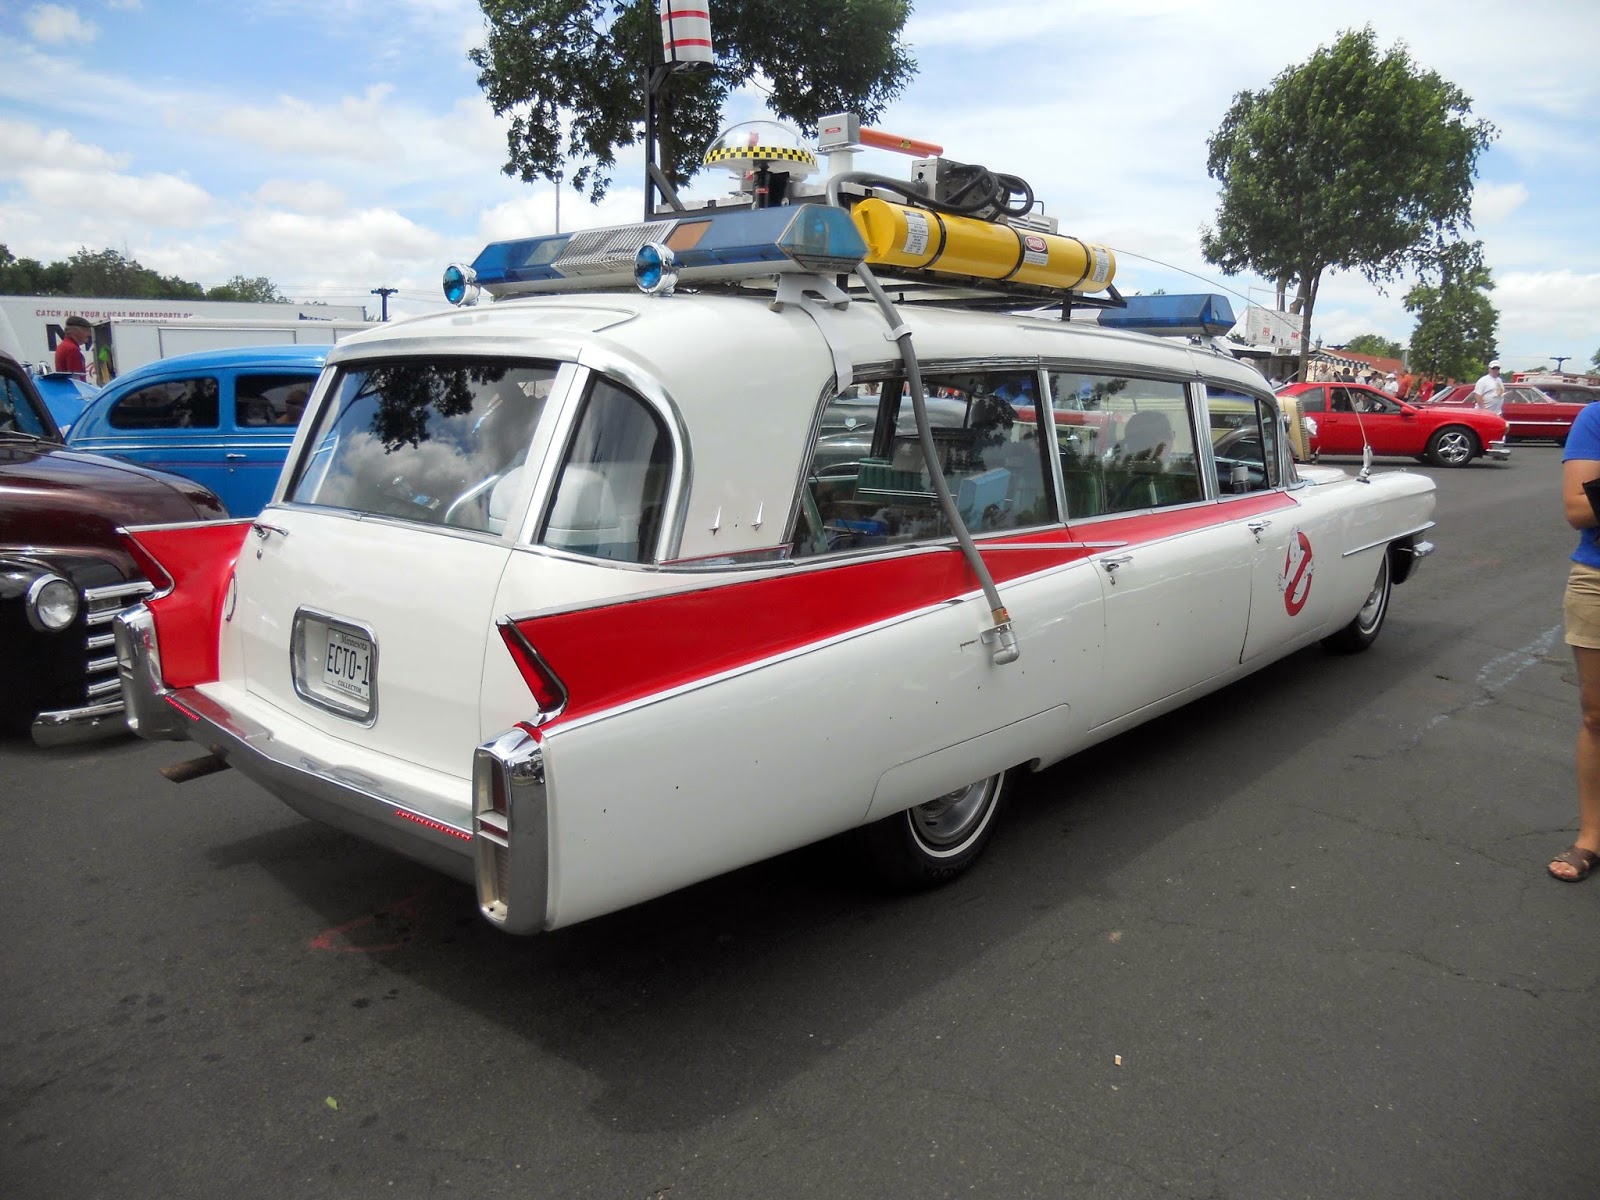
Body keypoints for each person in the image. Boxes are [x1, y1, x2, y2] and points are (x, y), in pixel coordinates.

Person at [1553, 402, 1600, 881]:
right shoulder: (1596, 419)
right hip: (1598, 579)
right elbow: (1578, 509)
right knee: (1597, 715)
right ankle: (1592, 837)